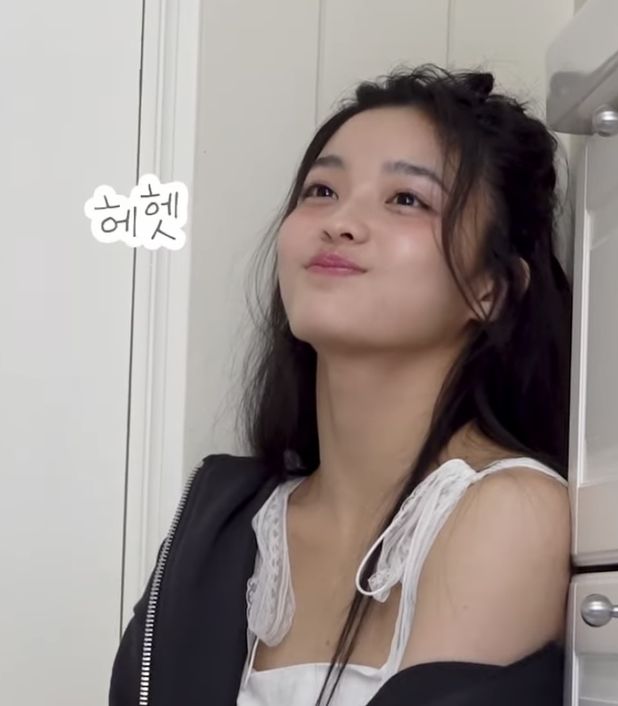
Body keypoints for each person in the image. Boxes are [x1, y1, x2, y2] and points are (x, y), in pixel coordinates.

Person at [109, 64, 573, 706]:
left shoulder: (509, 510)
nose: (341, 222)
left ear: (491, 291)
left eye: (406, 199)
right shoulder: (220, 524)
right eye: (322, 191)